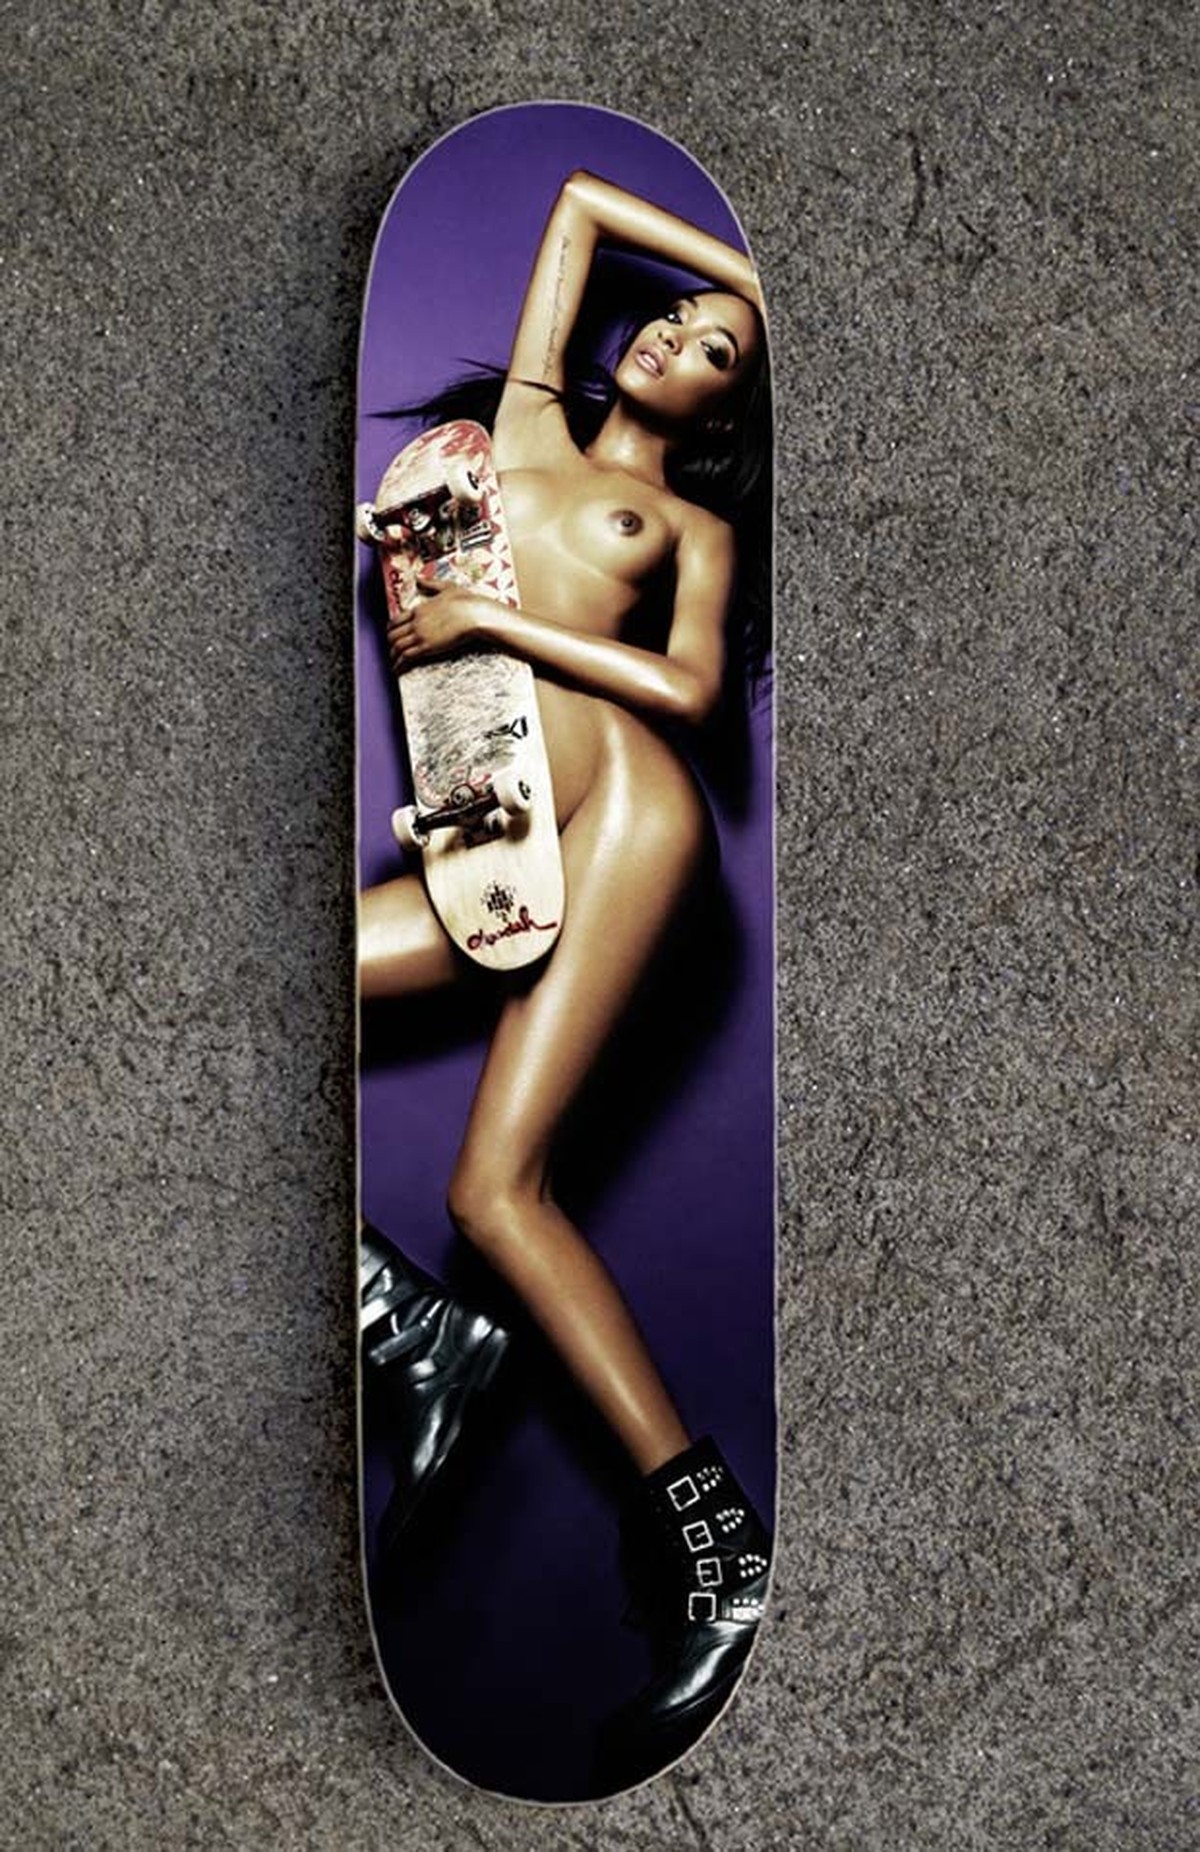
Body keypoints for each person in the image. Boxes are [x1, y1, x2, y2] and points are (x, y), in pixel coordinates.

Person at [358, 169, 772, 1781]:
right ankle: (412, 1330)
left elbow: (690, 691)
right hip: (504, 824)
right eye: (677, 320)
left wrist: (497, 625)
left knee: (500, 1189)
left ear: (730, 413)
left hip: (633, 817)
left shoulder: (690, 528)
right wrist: (754, 279)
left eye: (719, 352)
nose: (677, 338)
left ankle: (720, 1566)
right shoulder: (521, 420)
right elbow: (587, 201)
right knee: (455, 1169)